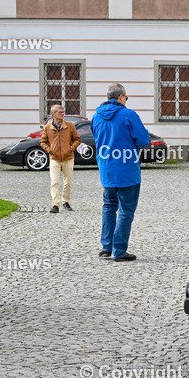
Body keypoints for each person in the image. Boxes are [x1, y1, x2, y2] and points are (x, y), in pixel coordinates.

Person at [92, 83, 149, 261]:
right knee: (125, 210)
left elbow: (97, 139)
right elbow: (143, 140)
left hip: (106, 169)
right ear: (121, 97)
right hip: (127, 170)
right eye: (126, 97)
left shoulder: (96, 116)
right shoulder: (128, 114)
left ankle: (106, 247)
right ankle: (119, 251)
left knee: (108, 207)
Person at [40, 104, 81, 213]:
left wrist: (71, 148)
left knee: (68, 182)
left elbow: (77, 139)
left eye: (63, 112)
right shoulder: (48, 127)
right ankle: (55, 204)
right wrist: (49, 150)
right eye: (60, 112)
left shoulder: (70, 125)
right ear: (54, 114)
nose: (63, 114)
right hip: (54, 158)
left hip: (68, 157)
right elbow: (42, 142)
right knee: (54, 181)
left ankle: (66, 201)